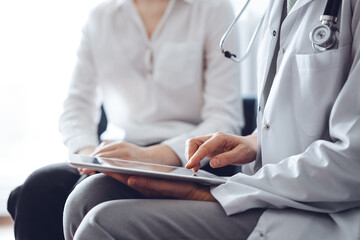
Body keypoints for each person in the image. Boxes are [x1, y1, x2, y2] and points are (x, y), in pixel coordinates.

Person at [63, 0, 360, 239]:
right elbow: (293, 116)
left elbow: (353, 161)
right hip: (271, 185)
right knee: (85, 198)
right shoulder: (276, 6)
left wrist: (217, 190)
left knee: (101, 224)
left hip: (318, 212)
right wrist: (254, 141)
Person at [7, 0, 243, 239]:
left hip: (186, 158)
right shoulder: (100, 17)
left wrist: (156, 155)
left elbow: (224, 117)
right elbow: (77, 105)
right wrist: (90, 157)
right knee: (39, 187)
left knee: (92, 193)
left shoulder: (213, 9)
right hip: (116, 153)